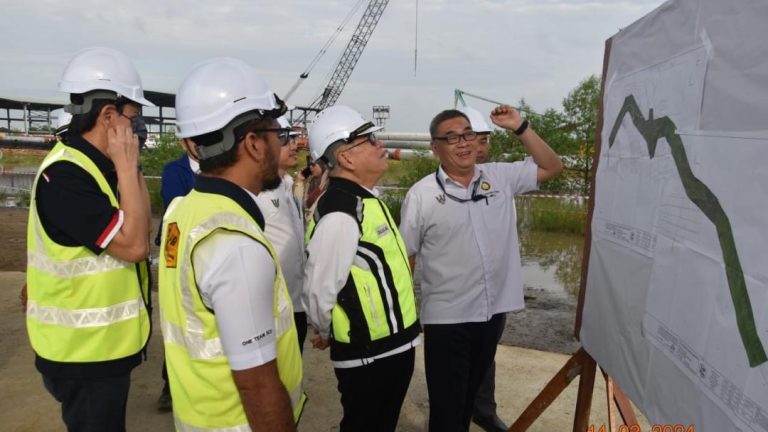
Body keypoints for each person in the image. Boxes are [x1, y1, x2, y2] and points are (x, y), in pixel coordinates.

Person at [158, 57, 305, 431]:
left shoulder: (182, 211)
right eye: (278, 133)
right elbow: (256, 383)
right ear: (255, 144)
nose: (283, 143)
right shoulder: (235, 244)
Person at [399, 105, 562, 432]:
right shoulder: (422, 195)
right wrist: (405, 317)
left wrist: (520, 126)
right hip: (447, 317)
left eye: (468, 135)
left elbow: (552, 166)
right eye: (452, 138)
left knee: (471, 396)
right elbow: (407, 257)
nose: (463, 143)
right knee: (447, 404)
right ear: (435, 147)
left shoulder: (500, 177)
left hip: (491, 313)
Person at [25, 46, 154, 431]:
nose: (138, 126)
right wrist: (126, 166)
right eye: (134, 116)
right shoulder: (67, 176)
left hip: (103, 349)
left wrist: (129, 165)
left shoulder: (100, 167)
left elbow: (141, 225)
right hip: (83, 354)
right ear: (109, 115)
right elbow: (134, 247)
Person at [303, 105, 421, 432]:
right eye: (369, 139)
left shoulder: (365, 199)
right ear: (346, 157)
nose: (379, 144)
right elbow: (318, 287)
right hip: (370, 355)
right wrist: (325, 330)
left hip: (392, 347)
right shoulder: (341, 209)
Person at [458, 105, 508, 431]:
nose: (482, 147)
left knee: (486, 355)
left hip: (492, 292)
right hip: (456, 294)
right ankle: (455, 415)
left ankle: (484, 410)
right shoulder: (431, 189)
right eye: (477, 139)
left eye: (486, 140)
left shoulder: (498, 180)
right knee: (455, 362)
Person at [153, 138, 200, 411]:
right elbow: (177, 206)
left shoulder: (216, 168)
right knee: (178, 318)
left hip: (201, 249)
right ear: (184, 143)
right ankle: (169, 385)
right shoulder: (175, 171)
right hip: (175, 247)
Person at [254, 115, 308, 352]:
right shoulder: (256, 190)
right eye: (285, 139)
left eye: (294, 138)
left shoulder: (286, 185)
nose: (294, 145)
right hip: (273, 308)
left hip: (296, 302)